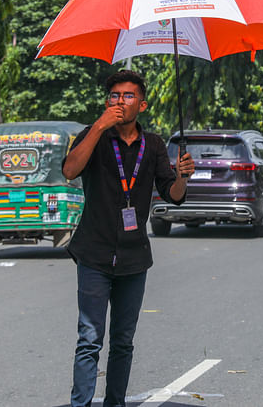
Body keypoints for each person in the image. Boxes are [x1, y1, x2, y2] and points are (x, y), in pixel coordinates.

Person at [62, 70, 194, 407]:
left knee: (123, 341)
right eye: (115, 96)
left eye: (128, 96)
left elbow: (173, 194)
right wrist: (99, 126)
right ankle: (81, 404)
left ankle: (115, 403)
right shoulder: (92, 137)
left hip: (134, 258)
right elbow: (70, 170)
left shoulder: (154, 145)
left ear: (143, 104)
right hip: (94, 254)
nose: (120, 101)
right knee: (90, 337)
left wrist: (182, 177)